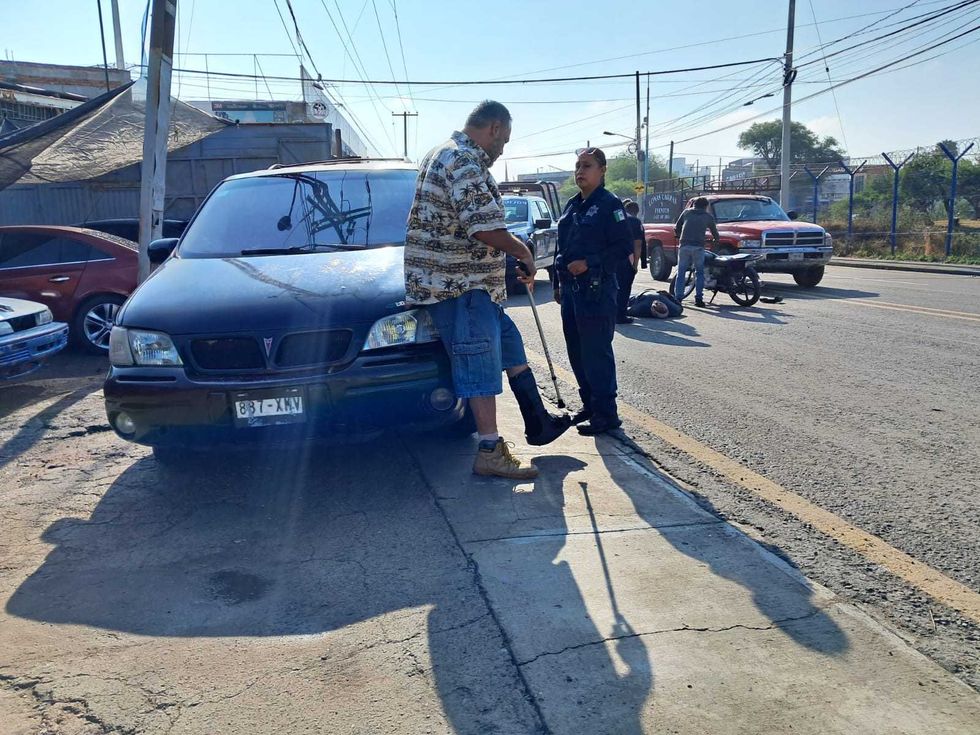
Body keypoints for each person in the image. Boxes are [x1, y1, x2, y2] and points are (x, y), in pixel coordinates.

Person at [404, 100, 571, 480]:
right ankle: (489, 450)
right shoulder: (462, 159)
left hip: (475, 285)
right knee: (478, 362)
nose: (502, 149)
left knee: (509, 346)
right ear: (494, 128)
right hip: (461, 286)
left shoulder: (443, 153)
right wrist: (523, 252)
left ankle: (538, 421)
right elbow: (482, 228)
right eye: (505, 140)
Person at [553, 147, 633, 436]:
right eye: (577, 166)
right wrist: (557, 284)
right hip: (572, 291)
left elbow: (623, 248)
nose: (580, 171)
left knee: (596, 352)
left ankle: (606, 414)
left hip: (596, 291)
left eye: (587, 166)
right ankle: (589, 405)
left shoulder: (609, 205)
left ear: (602, 171)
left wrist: (589, 263)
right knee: (576, 350)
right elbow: (561, 248)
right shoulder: (572, 205)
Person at [673, 196, 719, 307]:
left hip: (684, 246)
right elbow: (715, 234)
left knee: (681, 273)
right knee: (699, 273)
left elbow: (677, 227)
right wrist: (715, 241)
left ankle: (678, 298)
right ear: (706, 206)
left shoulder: (687, 213)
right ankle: (699, 299)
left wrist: (679, 236)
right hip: (698, 247)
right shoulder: (708, 216)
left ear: (694, 205)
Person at [615, 199, 645, 324]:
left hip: (609, 258)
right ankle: (620, 316)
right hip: (626, 259)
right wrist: (635, 264)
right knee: (624, 288)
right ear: (636, 212)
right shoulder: (634, 221)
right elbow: (637, 245)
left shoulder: (615, 218)